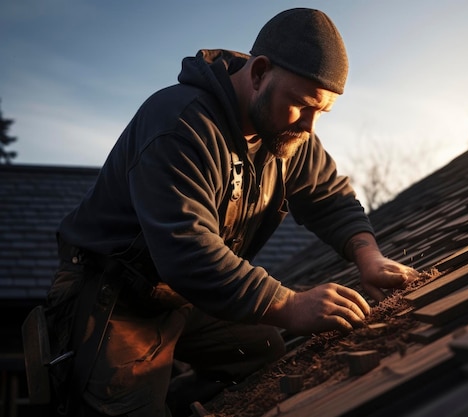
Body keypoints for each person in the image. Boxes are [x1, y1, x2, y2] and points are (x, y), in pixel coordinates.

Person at [43, 7, 419, 417]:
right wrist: (291, 305)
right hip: (115, 296)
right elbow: (188, 250)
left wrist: (369, 256)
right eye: (301, 105)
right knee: (123, 409)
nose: (311, 127)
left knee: (261, 350)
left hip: (184, 295)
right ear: (258, 73)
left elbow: (330, 197)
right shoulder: (179, 124)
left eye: (321, 112)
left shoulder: (288, 134)